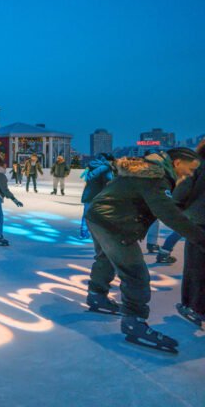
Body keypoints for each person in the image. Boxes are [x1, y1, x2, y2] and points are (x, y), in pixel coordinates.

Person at [84, 148, 205, 353]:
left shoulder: (148, 170)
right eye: (190, 169)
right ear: (177, 163)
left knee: (105, 259)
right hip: (115, 224)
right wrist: (201, 239)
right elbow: (168, 214)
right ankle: (134, 323)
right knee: (136, 275)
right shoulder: (155, 177)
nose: (190, 174)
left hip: (98, 216)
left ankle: (97, 295)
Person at [172, 139, 205, 327]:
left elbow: (181, 191)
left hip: (199, 222)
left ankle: (194, 307)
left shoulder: (198, 163)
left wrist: (179, 211)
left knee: (196, 267)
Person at [0, 155, 24, 245]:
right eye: (4, 163)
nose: (6, 164)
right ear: (0, 165)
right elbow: (5, 190)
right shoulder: (0, 175)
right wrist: (14, 200)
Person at [78, 153, 115, 240]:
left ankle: (83, 232)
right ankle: (101, 234)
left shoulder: (91, 166)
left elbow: (87, 179)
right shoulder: (106, 167)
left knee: (86, 214)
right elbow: (109, 181)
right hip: (99, 195)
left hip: (88, 194)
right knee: (102, 215)